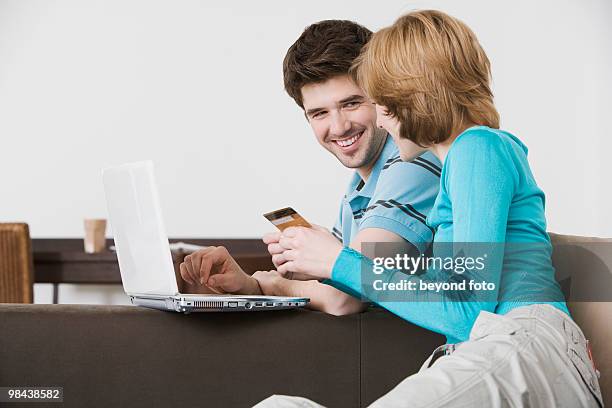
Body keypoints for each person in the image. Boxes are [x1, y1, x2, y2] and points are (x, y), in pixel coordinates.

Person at [253, 10, 603, 408]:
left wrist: (340, 263)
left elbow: (467, 310)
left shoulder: (479, 148)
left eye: (380, 103)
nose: (382, 121)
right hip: (491, 347)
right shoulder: (460, 163)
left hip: (524, 342)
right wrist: (319, 262)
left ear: (417, 96)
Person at [179, 20, 440, 315]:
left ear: (383, 97)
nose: (339, 126)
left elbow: (344, 299)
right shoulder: (359, 187)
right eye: (319, 113)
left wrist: (270, 285)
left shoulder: (412, 164)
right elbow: (339, 283)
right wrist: (251, 285)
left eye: (352, 103)